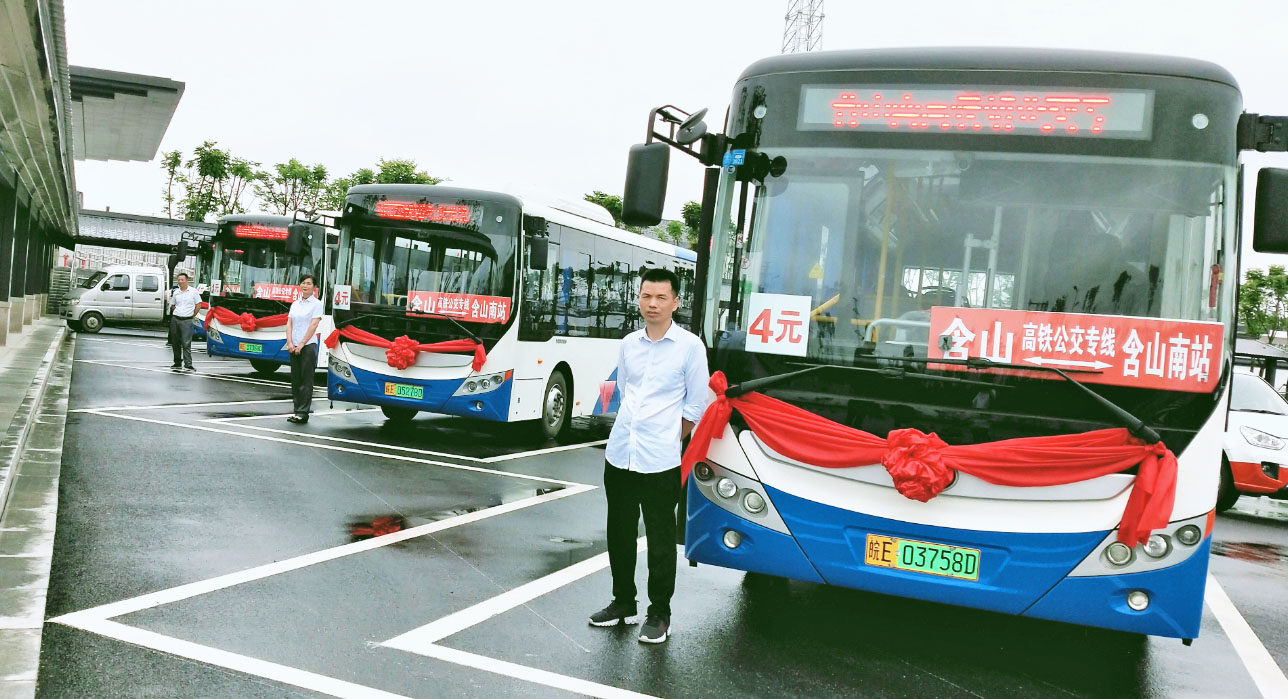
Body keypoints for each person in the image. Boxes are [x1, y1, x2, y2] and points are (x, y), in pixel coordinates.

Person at [588, 267, 709, 645]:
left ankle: (659, 614)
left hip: (660, 460)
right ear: (638, 298)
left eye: (660, 297)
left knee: (659, 539)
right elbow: (625, 391)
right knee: (619, 533)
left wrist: (668, 439)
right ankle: (622, 601)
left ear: (676, 302)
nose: (652, 304)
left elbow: (697, 406)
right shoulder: (628, 344)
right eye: (646, 296)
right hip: (621, 453)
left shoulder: (690, 347)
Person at [284, 274, 324, 424]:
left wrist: (301, 344)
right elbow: (289, 323)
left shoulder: (317, 304)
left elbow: (313, 325)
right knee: (295, 379)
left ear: (314, 287)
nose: (305, 286)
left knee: (306, 380)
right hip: (293, 346)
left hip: (307, 346)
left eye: (308, 283)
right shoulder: (295, 304)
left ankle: (303, 412)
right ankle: (296, 410)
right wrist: (290, 343)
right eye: (303, 283)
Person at [169, 273, 202, 371]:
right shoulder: (176, 292)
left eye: (182, 280)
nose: (180, 281)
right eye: (178, 280)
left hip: (187, 320)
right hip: (176, 319)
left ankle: (188, 364)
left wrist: (193, 315)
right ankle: (177, 362)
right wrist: (177, 312)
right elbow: (173, 305)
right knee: (175, 342)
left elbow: (198, 304)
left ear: (187, 280)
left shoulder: (193, 292)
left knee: (186, 343)